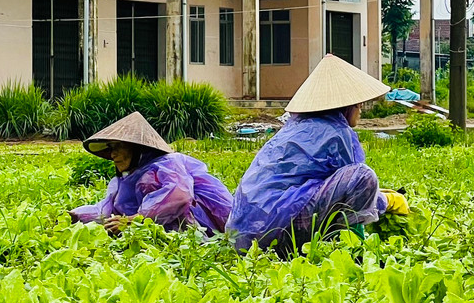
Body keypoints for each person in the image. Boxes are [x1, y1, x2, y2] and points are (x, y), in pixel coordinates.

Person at [228, 54, 407, 254]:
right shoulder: (337, 133)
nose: (361, 108)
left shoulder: (293, 129)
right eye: (358, 103)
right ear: (346, 105)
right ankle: (355, 251)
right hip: (274, 230)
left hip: (243, 237)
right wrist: (387, 201)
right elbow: (356, 188)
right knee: (363, 176)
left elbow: (325, 185)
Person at [70, 112, 233, 234]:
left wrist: (133, 221)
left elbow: (178, 198)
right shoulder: (129, 179)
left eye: (118, 147)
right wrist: (75, 216)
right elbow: (108, 210)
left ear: (136, 148)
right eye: (111, 148)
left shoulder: (168, 164)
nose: (113, 154)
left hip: (204, 226)